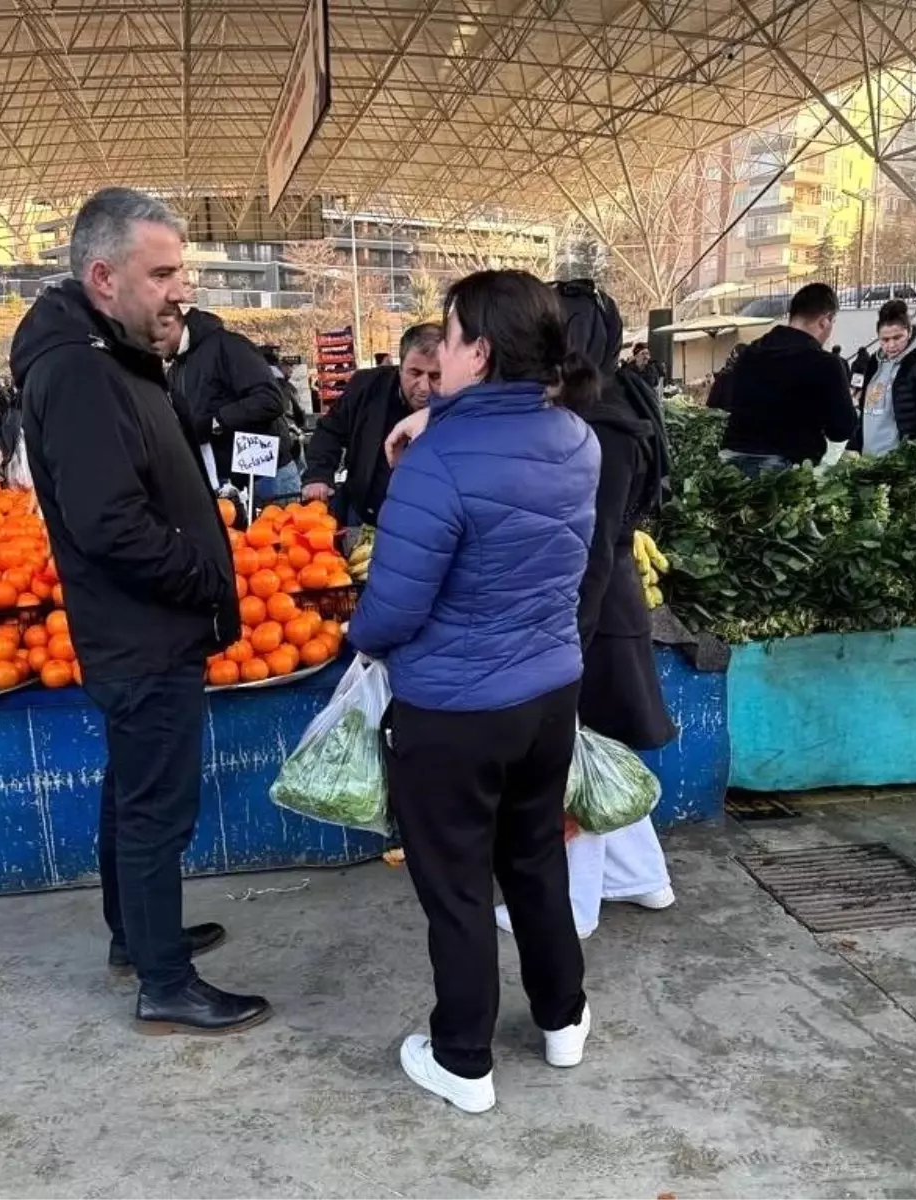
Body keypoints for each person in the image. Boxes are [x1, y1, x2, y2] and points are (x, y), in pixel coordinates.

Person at [11, 186, 268, 1037]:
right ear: (102, 276)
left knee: (134, 794)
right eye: (161, 273)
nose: (178, 289)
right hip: (143, 630)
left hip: (141, 630)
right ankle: (164, 981)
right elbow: (108, 521)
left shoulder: (105, 355)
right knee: (159, 808)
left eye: (179, 272)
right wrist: (202, 577)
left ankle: (137, 934)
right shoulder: (82, 371)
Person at [349, 269, 601, 1114]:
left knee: (456, 885)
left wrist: (355, 636)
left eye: (447, 338)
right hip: (548, 695)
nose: (437, 354)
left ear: (479, 351)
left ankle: (463, 1059)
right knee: (533, 861)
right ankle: (563, 1021)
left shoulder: (437, 464)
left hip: (452, 710)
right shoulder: (577, 440)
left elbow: (391, 607)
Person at [495, 283, 676, 942]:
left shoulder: (597, 425)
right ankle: (642, 875)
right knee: (601, 751)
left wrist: (564, 645)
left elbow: (594, 547)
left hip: (588, 609)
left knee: (571, 759)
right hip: (604, 603)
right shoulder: (615, 403)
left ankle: (569, 908)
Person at [301, 323, 442, 524]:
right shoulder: (366, 386)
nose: (425, 387)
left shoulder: (460, 399)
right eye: (415, 373)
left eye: (435, 376)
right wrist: (318, 475)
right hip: (364, 512)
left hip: (428, 520)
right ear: (399, 367)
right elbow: (330, 429)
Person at [719, 283, 855, 476]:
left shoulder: (749, 354)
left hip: (731, 465)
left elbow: (729, 402)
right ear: (826, 320)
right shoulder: (825, 363)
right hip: (784, 471)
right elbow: (842, 428)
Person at [166, 308, 300, 501]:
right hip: (224, 482)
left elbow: (270, 399)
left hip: (267, 475)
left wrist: (216, 421)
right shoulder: (176, 369)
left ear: (170, 324)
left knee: (286, 529)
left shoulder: (229, 345)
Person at [852, 299, 916, 457]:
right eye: (885, 340)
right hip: (868, 457)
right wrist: (854, 445)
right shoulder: (874, 361)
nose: (891, 345)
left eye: (897, 337)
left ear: (908, 332)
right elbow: (864, 408)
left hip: (900, 461)